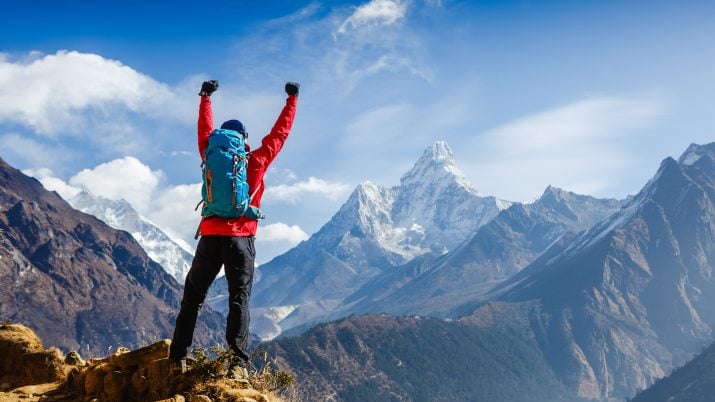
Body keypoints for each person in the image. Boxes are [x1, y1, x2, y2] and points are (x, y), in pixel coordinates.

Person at [169, 80, 300, 370]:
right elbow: (281, 134)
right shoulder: (257, 160)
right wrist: (292, 100)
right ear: (244, 140)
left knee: (192, 299)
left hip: (210, 236)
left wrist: (205, 97)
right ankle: (236, 365)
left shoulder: (209, 152)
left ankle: (178, 358)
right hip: (241, 240)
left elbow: (203, 129)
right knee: (238, 301)